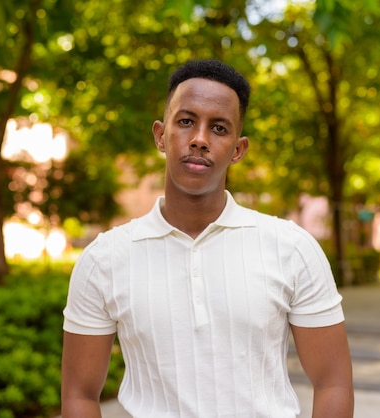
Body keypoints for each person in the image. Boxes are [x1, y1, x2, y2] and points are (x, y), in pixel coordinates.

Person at [61, 59, 354, 418]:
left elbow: (333, 383)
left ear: (238, 149)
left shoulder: (292, 248)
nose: (199, 139)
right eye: (186, 122)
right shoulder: (103, 259)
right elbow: (79, 395)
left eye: (218, 128)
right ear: (160, 135)